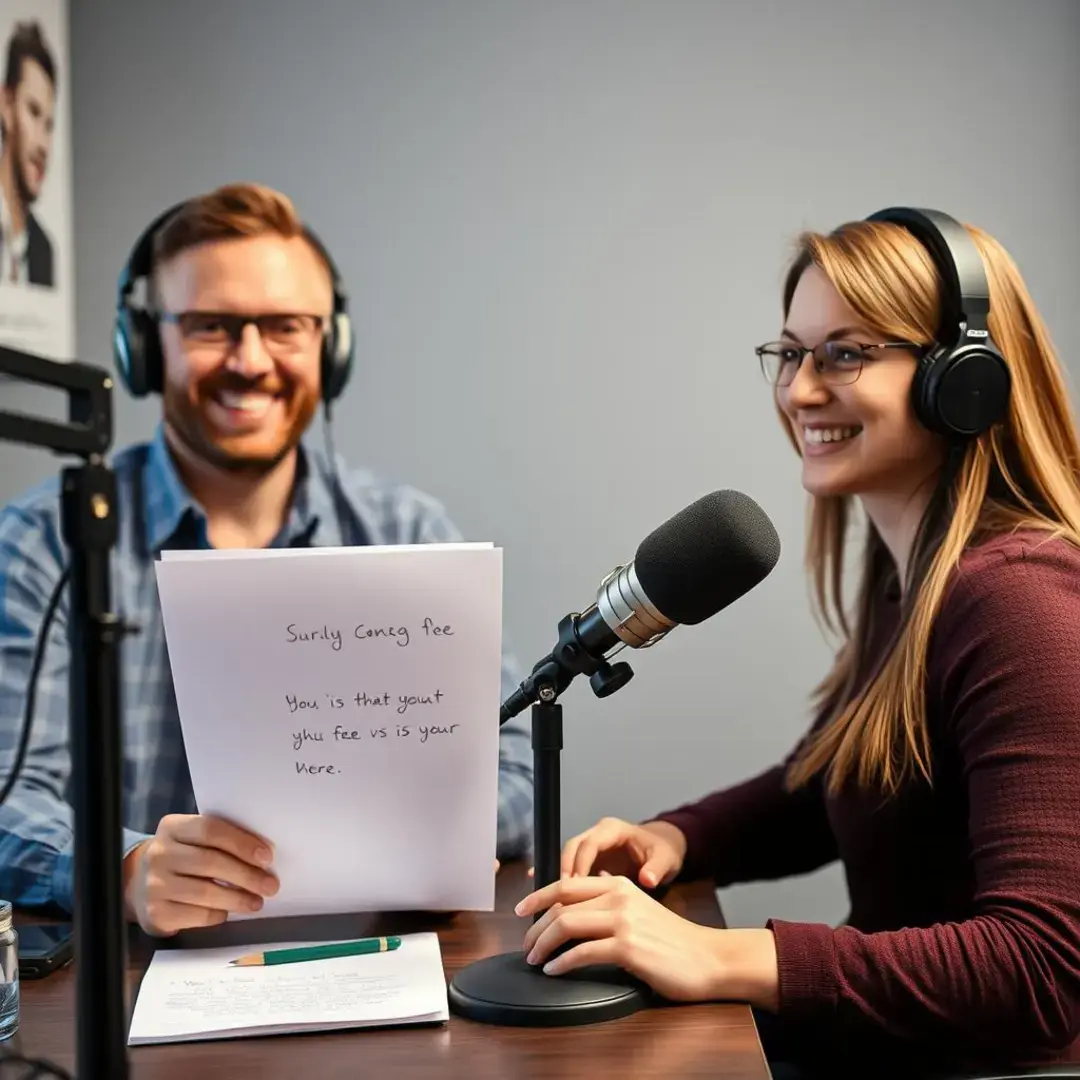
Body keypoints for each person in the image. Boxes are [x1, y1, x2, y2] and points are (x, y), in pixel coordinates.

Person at [515, 207, 1080, 1077]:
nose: (800, 390)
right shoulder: (914, 580)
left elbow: (1044, 970)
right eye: (790, 352)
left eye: (845, 353)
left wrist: (719, 956)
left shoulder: (1016, 601)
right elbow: (844, 783)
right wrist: (680, 837)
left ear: (962, 378)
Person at [0, 181, 533, 937]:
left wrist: (444, 838)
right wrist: (123, 868)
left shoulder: (410, 532)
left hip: (373, 961)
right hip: (129, 986)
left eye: (285, 326)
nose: (251, 362)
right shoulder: (46, 543)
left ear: (331, 345)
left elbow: (515, 764)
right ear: (145, 345)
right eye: (212, 326)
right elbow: (5, 793)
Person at [0, 20, 56, 286]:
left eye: (49, 125)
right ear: (6, 105)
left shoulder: (44, 250)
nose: (44, 144)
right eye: (33, 112)